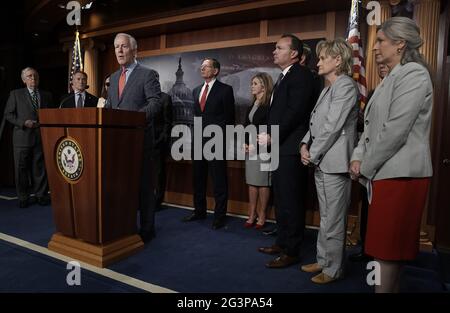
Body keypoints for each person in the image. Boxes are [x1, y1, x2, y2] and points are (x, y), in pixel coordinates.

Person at [349, 17, 433, 293]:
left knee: (387, 252)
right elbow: (370, 129)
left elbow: (395, 130)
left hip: (401, 175)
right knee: (387, 251)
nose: (375, 47)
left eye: (382, 41)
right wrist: (357, 157)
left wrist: (365, 166)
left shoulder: (414, 74)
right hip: (385, 172)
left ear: (400, 44)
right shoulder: (389, 78)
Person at [299, 38, 358, 284]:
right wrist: (304, 144)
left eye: (323, 58)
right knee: (326, 217)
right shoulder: (327, 88)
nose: (318, 62)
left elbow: (332, 127)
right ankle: (323, 260)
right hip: (322, 161)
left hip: (333, 163)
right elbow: (315, 124)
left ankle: (333, 269)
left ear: (338, 60)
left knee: (334, 219)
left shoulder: (345, 86)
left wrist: (312, 153)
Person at [257, 34, 315, 268]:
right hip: (280, 148)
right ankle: (282, 242)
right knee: (281, 199)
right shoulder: (284, 76)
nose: (274, 51)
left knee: (291, 200)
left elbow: (296, 111)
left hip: (291, 148)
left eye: (279, 48)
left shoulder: (301, 75)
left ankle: (292, 250)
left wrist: (273, 135)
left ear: (293, 53)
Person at [105, 33, 162, 243]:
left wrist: (134, 120)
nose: (119, 51)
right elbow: (112, 107)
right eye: (116, 47)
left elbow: (156, 103)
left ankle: (147, 229)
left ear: (134, 50)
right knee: (122, 188)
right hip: (116, 145)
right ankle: (125, 225)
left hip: (140, 141)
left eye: (124, 47)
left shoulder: (147, 74)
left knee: (145, 188)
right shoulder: (112, 78)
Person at [182, 58, 235, 230]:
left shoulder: (225, 90)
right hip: (198, 142)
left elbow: (229, 119)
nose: (202, 69)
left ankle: (219, 216)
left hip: (216, 142)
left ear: (216, 70)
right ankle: (199, 211)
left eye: (206, 67)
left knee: (219, 181)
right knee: (198, 179)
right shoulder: (196, 90)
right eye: (201, 66)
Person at [349, 63, 388, 263]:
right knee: (366, 208)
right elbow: (366, 124)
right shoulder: (373, 92)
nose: (381, 67)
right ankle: (366, 247)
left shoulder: (402, 88)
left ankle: (379, 253)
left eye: (384, 64)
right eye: (379, 65)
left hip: (387, 164)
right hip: (366, 158)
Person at [4, 67, 53, 208]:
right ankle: (23, 197)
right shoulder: (15, 94)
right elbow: (8, 114)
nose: (33, 78)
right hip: (22, 138)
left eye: (35, 76)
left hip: (40, 137)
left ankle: (41, 195)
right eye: (30, 76)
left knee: (40, 168)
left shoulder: (47, 95)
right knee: (21, 170)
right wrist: (23, 123)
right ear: (24, 80)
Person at [243, 73, 273, 229]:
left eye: (255, 83)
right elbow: (246, 127)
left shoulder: (269, 105)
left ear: (264, 86)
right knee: (252, 182)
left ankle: (262, 215)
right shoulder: (251, 105)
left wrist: (257, 143)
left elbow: (269, 128)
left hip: (264, 149)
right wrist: (246, 143)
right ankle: (251, 214)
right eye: (252, 83)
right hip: (251, 151)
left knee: (262, 183)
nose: (252, 86)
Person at [153, 89, 173, 211]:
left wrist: (161, 139)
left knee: (159, 172)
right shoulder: (142, 96)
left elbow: (168, 122)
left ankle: (157, 201)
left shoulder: (165, 98)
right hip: (143, 139)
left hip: (158, 142)